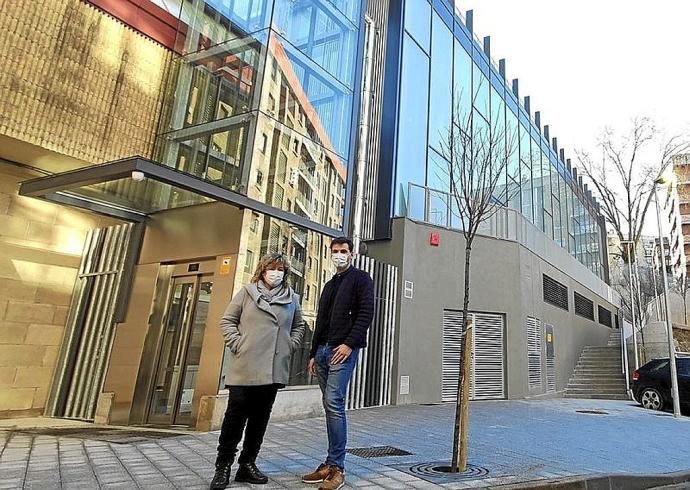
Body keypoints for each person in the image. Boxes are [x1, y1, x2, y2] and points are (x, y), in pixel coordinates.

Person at [210, 253, 305, 489]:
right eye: (272, 268)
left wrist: (289, 346)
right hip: (245, 367)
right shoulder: (247, 293)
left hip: (272, 369)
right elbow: (227, 321)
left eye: (281, 269)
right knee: (234, 419)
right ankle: (223, 466)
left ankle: (247, 464)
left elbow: (299, 325)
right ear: (262, 270)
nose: (276, 272)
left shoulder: (292, 298)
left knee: (259, 420)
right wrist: (238, 343)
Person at [302, 237, 375, 490]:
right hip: (322, 351)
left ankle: (338, 469)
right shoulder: (329, 285)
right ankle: (329, 463)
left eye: (343, 251)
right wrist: (312, 353)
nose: (339, 255)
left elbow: (366, 313)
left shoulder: (361, 278)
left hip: (342, 350)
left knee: (334, 401)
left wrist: (349, 343)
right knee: (329, 404)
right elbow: (320, 320)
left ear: (351, 254)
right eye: (335, 252)